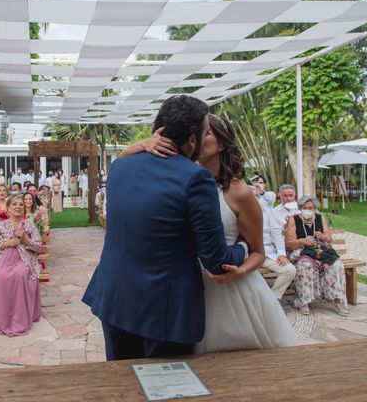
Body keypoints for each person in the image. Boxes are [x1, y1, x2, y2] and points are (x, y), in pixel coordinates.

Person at [83, 96, 248, 361]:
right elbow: (216, 261)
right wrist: (242, 247)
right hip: (163, 311)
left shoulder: (120, 166)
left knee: (121, 383)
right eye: (206, 131)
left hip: (113, 296)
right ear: (192, 139)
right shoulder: (195, 178)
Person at [127, 111, 298, 353]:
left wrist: (239, 271)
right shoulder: (180, 180)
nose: (195, 136)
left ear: (221, 143)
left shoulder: (239, 193)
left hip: (227, 289)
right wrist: (143, 143)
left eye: (205, 132)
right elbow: (124, 163)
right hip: (184, 285)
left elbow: (258, 251)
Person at [0, 195, 43, 336]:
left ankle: (18, 319)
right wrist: (6, 244)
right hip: (2, 259)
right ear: (8, 208)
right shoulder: (0, 225)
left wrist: (26, 240)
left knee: (20, 275)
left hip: (24, 259)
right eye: (14, 204)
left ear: (24, 208)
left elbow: (39, 247)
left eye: (21, 204)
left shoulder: (30, 226)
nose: (18, 206)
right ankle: (3, 318)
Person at [285, 196, 348, 316]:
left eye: (310, 208)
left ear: (314, 208)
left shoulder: (320, 218)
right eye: (305, 208)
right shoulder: (294, 220)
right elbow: (288, 244)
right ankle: (304, 301)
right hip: (303, 252)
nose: (308, 210)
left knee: (336, 264)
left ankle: (337, 299)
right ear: (299, 208)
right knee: (305, 265)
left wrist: (323, 237)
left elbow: (329, 239)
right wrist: (301, 241)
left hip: (320, 252)